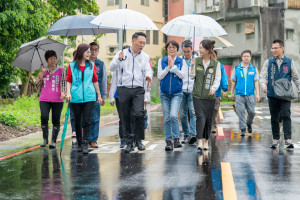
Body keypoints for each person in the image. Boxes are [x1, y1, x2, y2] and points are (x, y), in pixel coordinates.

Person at [110, 32, 153, 153]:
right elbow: (112, 68)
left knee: (139, 114)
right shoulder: (121, 54)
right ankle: (129, 143)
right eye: (140, 42)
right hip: (124, 88)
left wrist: (149, 76)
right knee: (125, 117)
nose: (142, 45)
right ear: (133, 41)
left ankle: (138, 140)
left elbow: (148, 69)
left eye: (144, 43)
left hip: (138, 89)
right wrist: (118, 60)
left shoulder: (145, 56)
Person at [260, 39, 300, 149]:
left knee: (286, 115)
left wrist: (299, 88)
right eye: (272, 48)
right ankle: (275, 139)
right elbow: (262, 76)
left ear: (282, 48)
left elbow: (296, 77)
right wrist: (263, 85)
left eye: (276, 48)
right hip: (272, 94)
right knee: (274, 118)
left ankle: (288, 139)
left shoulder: (289, 61)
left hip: (285, 95)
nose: (274, 50)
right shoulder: (269, 62)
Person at [66, 43, 102, 154]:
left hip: (89, 97)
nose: (89, 53)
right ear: (81, 52)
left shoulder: (91, 65)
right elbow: (69, 80)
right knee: (77, 121)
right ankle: (80, 143)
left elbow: (95, 80)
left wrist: (99, 95)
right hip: (75, 97)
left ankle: (86, 143)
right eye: (87, 51)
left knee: (87, 121)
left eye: (90, 52)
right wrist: (68, 93)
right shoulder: (72, 66)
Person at [190, 40, 221, 152]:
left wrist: (213, 89)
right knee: (200, 117)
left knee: (208, 119)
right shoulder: (197, 60)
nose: (200, 49)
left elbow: (217, 79)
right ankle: (199, 141)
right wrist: (192, 67)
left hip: (209, 97)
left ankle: (206, 141)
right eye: (199, 47)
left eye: (202, 48)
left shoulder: (216, 64)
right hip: (197, 95)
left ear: (208, 50)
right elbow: (192, 77)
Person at [158, 40, 185, 151]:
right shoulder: (162, 60)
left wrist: (174, 68)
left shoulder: (181, 61)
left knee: (174, 115)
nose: (171, 49)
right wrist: (167, 68)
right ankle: (168, 141)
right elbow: (159, 76)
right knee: (167, 118)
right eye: (169, 47)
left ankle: (176, 139)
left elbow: (182, 75)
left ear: (177, 49)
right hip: (164, 93)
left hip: (176, 93)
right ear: (167, 49)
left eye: (174, 47)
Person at [37, 50, 66, 149]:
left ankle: (53, 141)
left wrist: (63, 92)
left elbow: (63, 83)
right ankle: (45, 139)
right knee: (44, 117)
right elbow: (38, 84)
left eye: (54, 58)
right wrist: (41, 73)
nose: (53, 60)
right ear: (47, 60)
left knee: (56, 119)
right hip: (44, 98)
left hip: (58, 99)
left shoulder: (61, 70)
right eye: (51, 59)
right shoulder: (43, 70)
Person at [230, 50, 260, 136]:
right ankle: (243, 129)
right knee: (240, 112)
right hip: (239, 94)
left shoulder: (254, 68)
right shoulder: (237, 68)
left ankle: (249, 123)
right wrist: (231, 93)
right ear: (242, 57)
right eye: (244, 56)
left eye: (248, 56)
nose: (246, 57)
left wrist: (257, 94)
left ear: (250, 57)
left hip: (250, 94)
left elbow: (256, 82)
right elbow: (233, 82)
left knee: (252, 112)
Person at [88, 42, 107, 148]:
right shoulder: (83, 63)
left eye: (95, 49)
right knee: (85, 118)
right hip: (85, 95)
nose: (93, 51)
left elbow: (104, 80)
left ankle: (93, 140)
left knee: (95, 118)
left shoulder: (101, 64)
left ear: (98, 51)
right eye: (91, 49)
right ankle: (85, 138)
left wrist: (103, 96)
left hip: (96, 95)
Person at [179, 40, 197, 144]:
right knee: (182, 114)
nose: (186, 54)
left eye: (188, 52)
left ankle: (192, 134)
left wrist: (193, 66)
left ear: (191, 50)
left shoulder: (196, 60)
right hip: (181, 91)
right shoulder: (179, 60)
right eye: (184, 51)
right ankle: (186, 134)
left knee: (193, 113)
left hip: (192, 91)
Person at [211, 51, 228, 133]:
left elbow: (223, 77)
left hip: (216, 92)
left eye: (213, 55)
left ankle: (213, 126)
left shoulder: (220, 66)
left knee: (215, 109)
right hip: (204, 93)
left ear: (216, 57)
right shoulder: (204, 64)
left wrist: (224, 89)